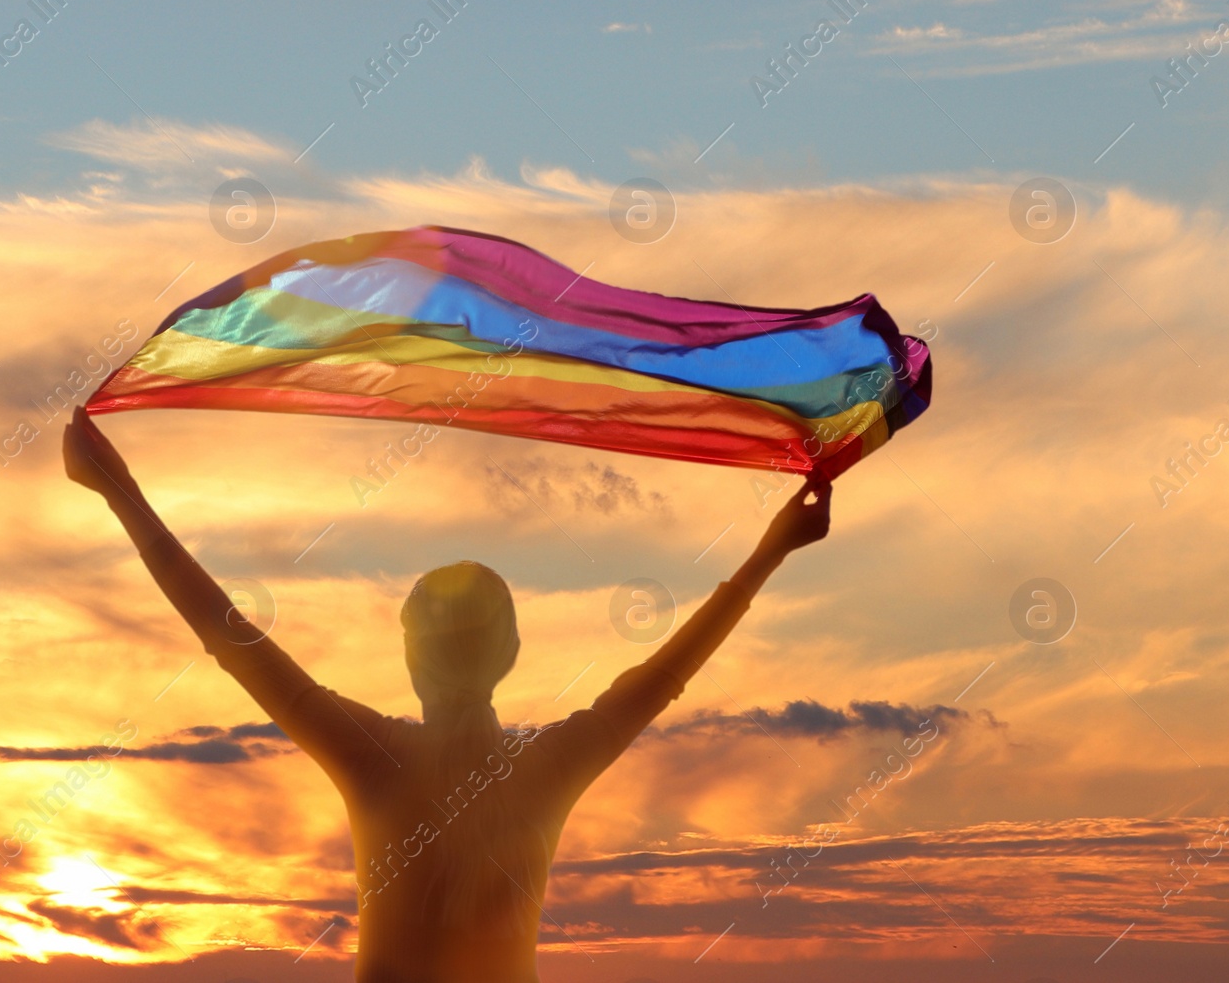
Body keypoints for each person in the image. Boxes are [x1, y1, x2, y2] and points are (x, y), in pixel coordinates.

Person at [63, 407, 832, 983]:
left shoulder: (374, 758)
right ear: (513, 654)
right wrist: (769, 552)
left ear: (409, 655)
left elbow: (228, 634)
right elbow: (667, 672)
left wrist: (118, 491)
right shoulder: (547, 766)